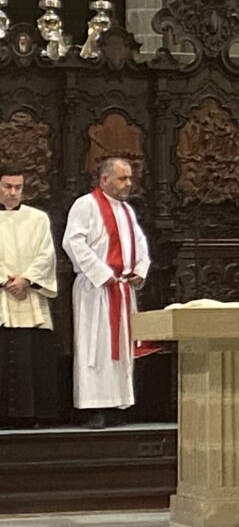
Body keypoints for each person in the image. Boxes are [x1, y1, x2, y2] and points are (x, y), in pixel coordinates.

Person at [62, 158, 150, 429]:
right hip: (96, 289)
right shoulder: (86, 205)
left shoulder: (126, 210)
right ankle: (94, 407)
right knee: (96, 347)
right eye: (122, 179)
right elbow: (73, 241)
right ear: (104, 180)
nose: (128, 184)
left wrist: (139, 269)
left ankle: (117, 403)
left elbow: (140, 243)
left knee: (121, 347)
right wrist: (102, 273)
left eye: (129, 178)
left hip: (121, 289)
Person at [0, 166, 60, 427]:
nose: (13, 192)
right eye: (7, 187)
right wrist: (6, 280)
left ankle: (33, 415)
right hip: (2, 295)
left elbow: (47, 255)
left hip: (30, 294)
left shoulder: (38, 219)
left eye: (18, 187)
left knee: (32, 356)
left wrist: (26, 280)